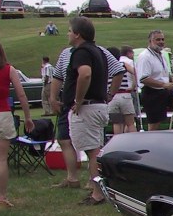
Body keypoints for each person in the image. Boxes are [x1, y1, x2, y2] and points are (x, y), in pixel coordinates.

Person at [49, 40, 124, 190]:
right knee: (64, 139)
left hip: (86, 104)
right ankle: (72, 178)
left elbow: (118, 70)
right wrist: (53, 97)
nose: (68, 34)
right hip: (68, 102)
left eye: (70, 31)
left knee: (93, 147)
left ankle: (94, 183)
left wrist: (110, 94)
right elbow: (58, 77)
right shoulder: (66, 53)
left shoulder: (99, 51)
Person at [62, 17, 113, 205]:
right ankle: (98, 189)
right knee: (96, 150)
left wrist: (78, 100)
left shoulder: (81, 51)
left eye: (69, 31)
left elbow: (85, 74)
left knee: (92, 152)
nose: (67, 34)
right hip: (98, 106)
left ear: (77, 34)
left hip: (88, 108)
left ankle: (97, 193)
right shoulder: (98, 51)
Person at [0, 37, 34, 212]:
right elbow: (21, 95)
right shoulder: (8, 70)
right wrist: (27, 117)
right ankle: (2, 198)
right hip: (2, 115)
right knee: (1, 159)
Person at [136, 29, 173, 128]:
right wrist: (164, 84)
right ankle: (150, 141)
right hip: (152, 93)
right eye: (158, 40)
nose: (161, 42)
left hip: (164, 92)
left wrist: (171, 79)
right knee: (154, 124)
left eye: (162, 39)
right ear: (150, 41)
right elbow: (143, 78)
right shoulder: (145, 57)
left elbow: (163, 72)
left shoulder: (162, 55)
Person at [106, 47, 138, 134]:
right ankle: (135, 143)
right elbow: (135, 72)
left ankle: (118, 144)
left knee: (117, 123)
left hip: (112, 97)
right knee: (130, 123)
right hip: (125, 95)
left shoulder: (105, 66)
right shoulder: (122, 64)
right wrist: (133, 86)